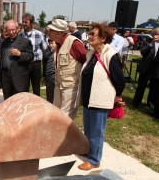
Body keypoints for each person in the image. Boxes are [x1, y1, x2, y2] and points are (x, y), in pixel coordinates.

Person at [76, 23, 125, 170]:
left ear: (103, 38)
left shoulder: (111, 55)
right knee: (89, 130)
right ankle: (89, 152)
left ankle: (94, 160)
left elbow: (120, 81)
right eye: (89, 33)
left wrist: (116, 96)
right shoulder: (91, 54)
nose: (89, 36)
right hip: (88, 99)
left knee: (97, 132)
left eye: (93, 34)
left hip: (100, 100)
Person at [47, 19, 87, 119]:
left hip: (70, 87)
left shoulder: (74, 43)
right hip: (59, 86)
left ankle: (65, 135)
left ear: (58, 33)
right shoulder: (58, 44)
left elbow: (86, 63)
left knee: (65, 118)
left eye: (51, 30)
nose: (48, 32)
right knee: (56, 114)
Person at [0, 20, 34, 100]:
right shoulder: (4, 42)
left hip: (19, 78)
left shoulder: (25, 42)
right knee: (7, 101)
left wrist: (20, 54)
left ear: (17, 29)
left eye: (13, 30)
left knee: (19, 102)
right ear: (6, 31)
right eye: (9, 30)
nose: (11, 32)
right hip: (6, 77)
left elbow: (31, 56)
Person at [19, 12, 47, 96]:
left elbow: (45, 48)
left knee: (36, 88)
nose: (24, 24)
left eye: (26, 22)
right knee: (24, 87)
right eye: (23, 22)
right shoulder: (20, 35)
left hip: (36, 64)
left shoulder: (39, 34)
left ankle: (36, 106)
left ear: (31, 23)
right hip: (24, 65)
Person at [133, 28, 158, 109]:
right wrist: (151, 44)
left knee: (153, 88)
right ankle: (136, 102)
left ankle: (150, 103)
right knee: (141, 85)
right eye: (157, 34)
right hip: (146, 67)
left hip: (155, 69)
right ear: (154, 35)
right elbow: (143, 52)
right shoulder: (147, 41)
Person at [149, 28, 159, 119]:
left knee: (156, 93)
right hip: (154, 71)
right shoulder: (151, 42)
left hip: (157, 72)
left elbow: (156, 59)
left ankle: (156, 112)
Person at [45, 38, 56, 103]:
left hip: (54, 78)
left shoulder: (58, 52)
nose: (50, 45)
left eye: (52, 43)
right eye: (49, 43)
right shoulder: (48, 52)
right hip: (48, 78)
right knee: (49, 97)